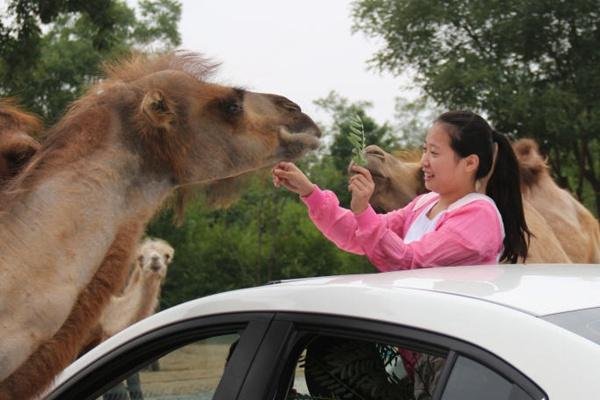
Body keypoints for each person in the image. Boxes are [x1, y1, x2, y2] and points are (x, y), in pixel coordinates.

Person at [272, 110, 530, 271]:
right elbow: (357, 235)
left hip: (455, 353)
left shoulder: (478, 217)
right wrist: (309, 192)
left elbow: (407, 262)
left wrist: (363, 211)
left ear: (470, 163)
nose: (425, 161)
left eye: (435, 153)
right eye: (425, 150)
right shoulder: (425, 204)